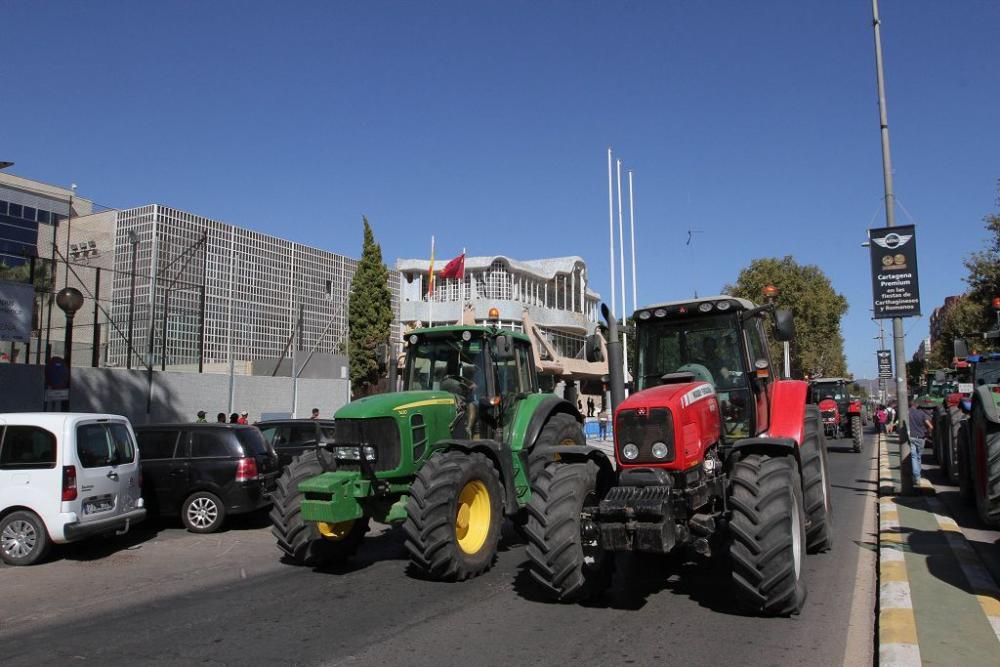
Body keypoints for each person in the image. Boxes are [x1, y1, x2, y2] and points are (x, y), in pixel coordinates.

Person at [907, 401, 933, 484]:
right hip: (921, 438)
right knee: (918, 457)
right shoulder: (922, 414)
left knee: (913, 457)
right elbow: (930, 426)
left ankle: (916, 476)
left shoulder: (907, 412)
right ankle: (917, 476)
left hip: (911, 437)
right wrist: (927, 434)